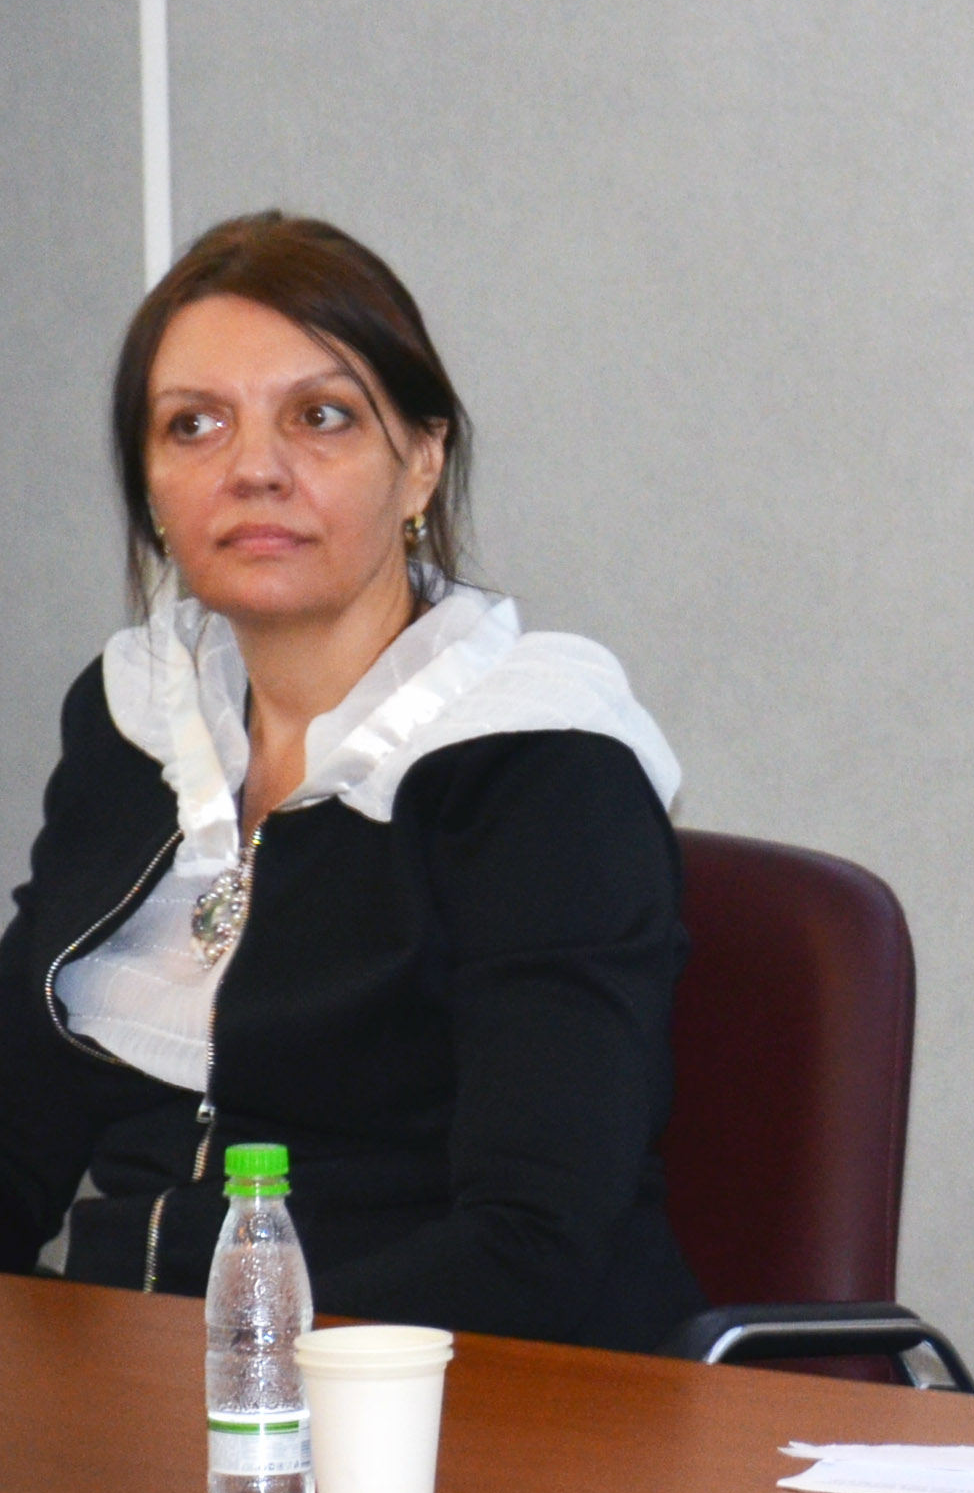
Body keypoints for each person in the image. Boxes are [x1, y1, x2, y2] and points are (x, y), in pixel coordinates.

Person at [0, 213, 703, 1351]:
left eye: (319, 416)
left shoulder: (539, 759)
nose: (254, 468)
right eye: (194, 424)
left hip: (456, 1391)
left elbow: (534, 1243)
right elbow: (21, 1120)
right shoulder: (138, 717)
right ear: (151, 485)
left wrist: (229, 1374)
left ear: (421, 459)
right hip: (149, 1378)